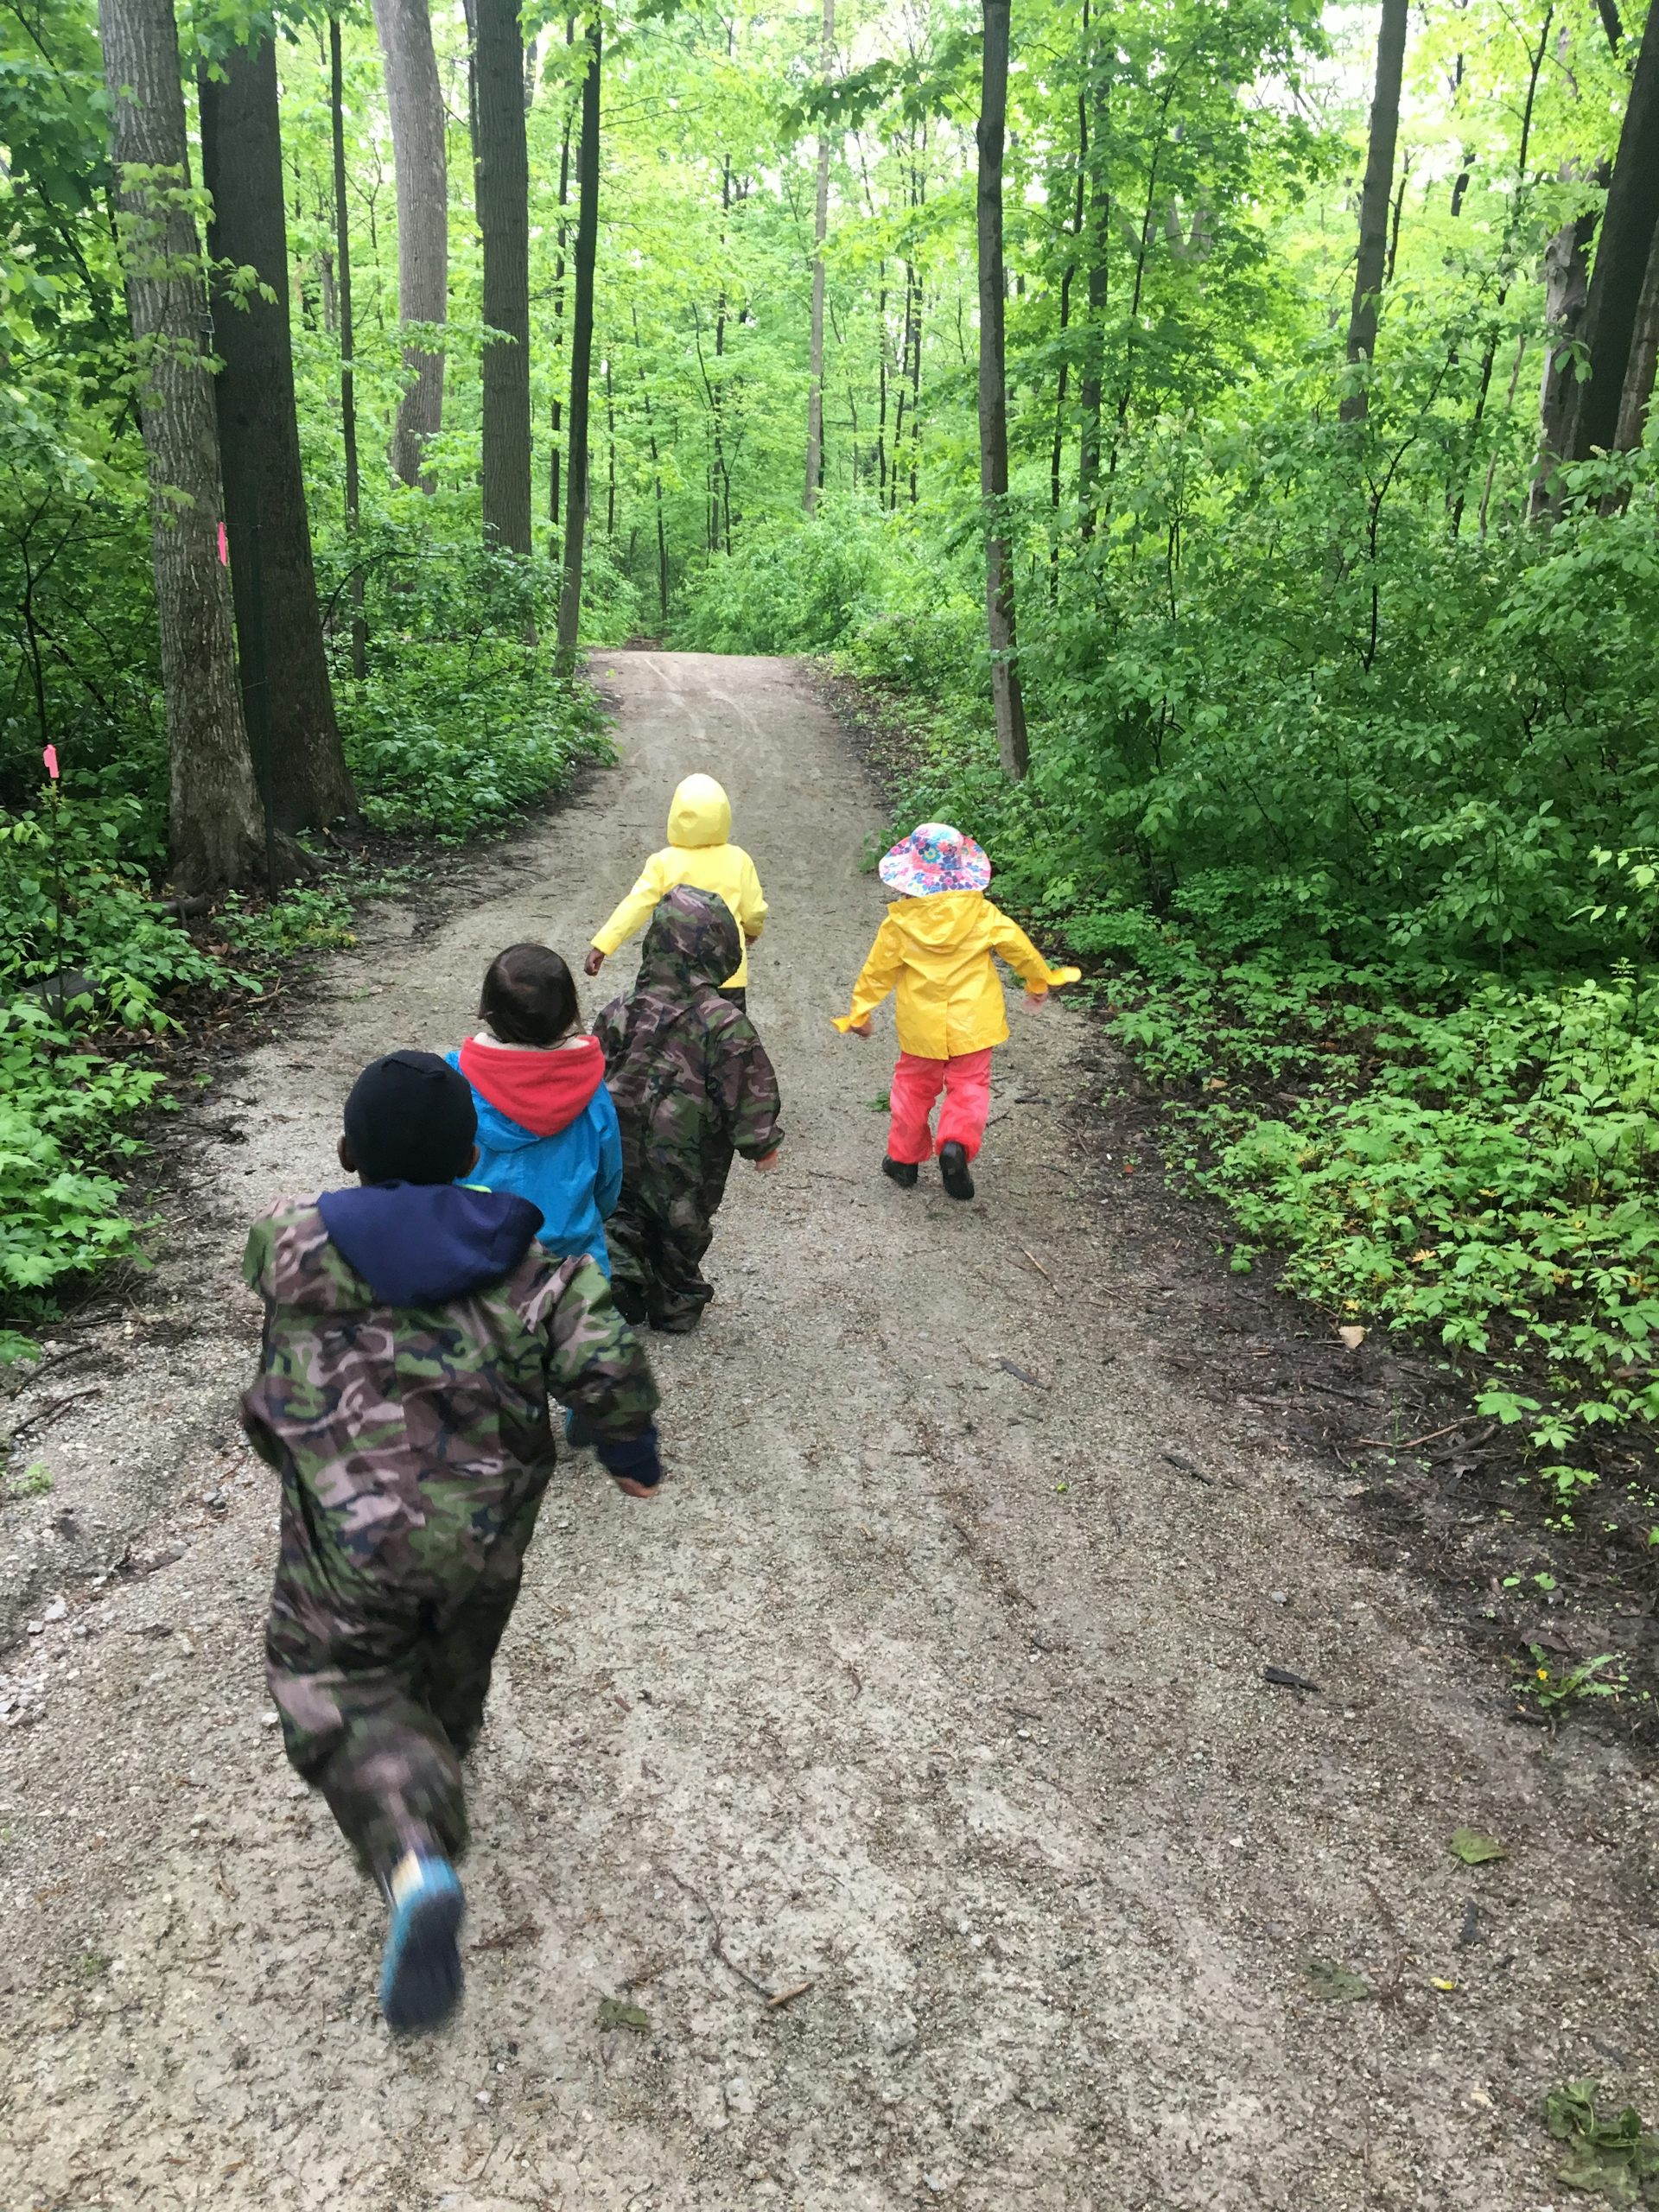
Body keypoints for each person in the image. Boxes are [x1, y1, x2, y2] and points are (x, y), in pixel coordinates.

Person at [241, 1050, 662, 2039]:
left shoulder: (296, 1251)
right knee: (454, 1657)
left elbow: (276, 1380)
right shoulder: (537, 1270)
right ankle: (444, 1750)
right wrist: (628, 1443)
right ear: (473, 1154)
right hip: (481, 1530)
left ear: (346, 1152)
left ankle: (413, 1847)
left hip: (344, 1535)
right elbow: (606, 1362)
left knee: (335, 1679)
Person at [835, 822, 1080, 1201]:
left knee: (912, 1090)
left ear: (909, 878)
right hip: (974, 1024)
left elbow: (876, 971)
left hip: (921, 1028)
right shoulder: (983, 914)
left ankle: (903, 1159)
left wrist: (860, 1013)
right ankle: (956, 1145)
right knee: (969, 1089)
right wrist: (1038, 982)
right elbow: (1020, 948)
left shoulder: (899, 924)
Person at [594, 886, 783, 1332]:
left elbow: (591, 1067)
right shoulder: (723, 1022)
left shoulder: (621, 1008)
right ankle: (673, 1303)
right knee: (682, 1224)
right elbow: (748, 1085)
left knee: (619, 1210)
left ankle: (620, 1275)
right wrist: (760, 1142)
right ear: (721, 952)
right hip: (687, 1151)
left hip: (618, 1139)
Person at [446, 942, 622, 1277]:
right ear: (570, 1011)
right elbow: (608, 1178)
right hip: (572, 1262)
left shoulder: (456, 1080)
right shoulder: (590, 1087)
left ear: (487, 1010)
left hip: (477, 1256)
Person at [584, 772, 767, 1008]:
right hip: (726, 968)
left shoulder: (663, 862)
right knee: (727, 1029)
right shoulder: (739, 860)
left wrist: (604, 945)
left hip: (672, 968)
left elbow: (635, 905)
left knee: (673, 1030)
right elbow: (754, 909)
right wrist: (752, 930)